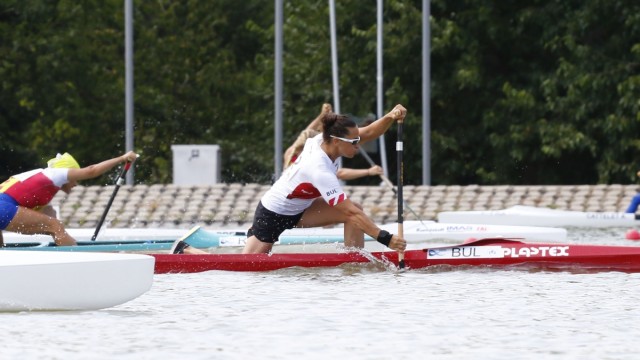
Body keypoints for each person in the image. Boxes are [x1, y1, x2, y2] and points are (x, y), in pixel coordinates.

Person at [0, 151, 138, 247]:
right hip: (3, 207)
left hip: (4, 207)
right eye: (75, 177)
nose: (76, 183)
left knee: (52, 224)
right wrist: (122, 158)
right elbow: (91, 170)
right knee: (55, 227)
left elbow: (42, 216)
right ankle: (81, 263)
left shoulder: (40, 180)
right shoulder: (56, 173)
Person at [284, 103, 384, 180]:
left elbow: (306, 134)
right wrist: (368, 171)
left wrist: (322, 116)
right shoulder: (315, 160)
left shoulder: (291, 152)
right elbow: (340, 174)